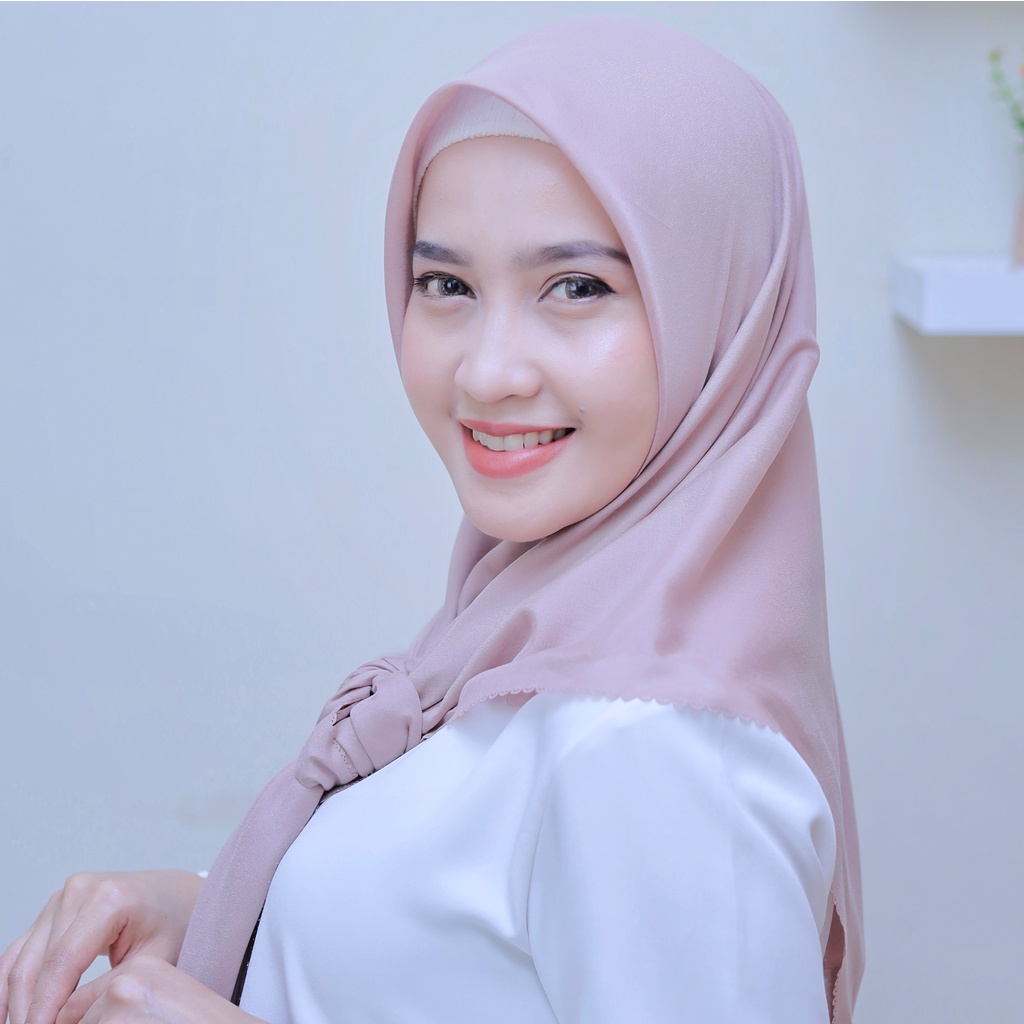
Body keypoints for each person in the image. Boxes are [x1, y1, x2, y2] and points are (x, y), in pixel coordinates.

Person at [0, 15, 863, 1024]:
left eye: (577, 286)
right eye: (446, 284)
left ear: (723, 313)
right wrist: (205, 910)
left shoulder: (657, 754)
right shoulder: (541, 632)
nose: (487, 372)